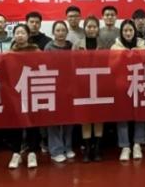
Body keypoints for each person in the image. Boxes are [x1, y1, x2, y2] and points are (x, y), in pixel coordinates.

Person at [112, 20, 145, 161]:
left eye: (130, 30)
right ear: (121, 32)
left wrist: (135, 54)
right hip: (121, 86)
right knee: (122, 116)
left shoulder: (142, 45)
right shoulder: (115, 47)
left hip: (138, 84)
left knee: (139, 115)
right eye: (125, 30)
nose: (128, 33)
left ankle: (138, 144)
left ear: (134, 31)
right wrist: (122, 56)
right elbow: (111, 66)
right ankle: (125, 146)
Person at [8, 24, 42, 169]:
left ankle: (32, 152)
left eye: (23, 33)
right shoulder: (10, 53)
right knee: (16, 124)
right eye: (17, 33)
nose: (20, 35)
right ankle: (16, 153)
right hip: (16, 93)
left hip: (33, 90)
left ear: (28, 35)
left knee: (32, 123)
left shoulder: (36, 51)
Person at [43, 21, 76, 163]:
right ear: (53, 32)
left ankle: (67, 147)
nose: (61, 33)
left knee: (69, 119)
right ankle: (56, 150)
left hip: (69, 87)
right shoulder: (48, 47)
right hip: (53, 86)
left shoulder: (71, 46)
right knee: (54, 120)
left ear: (67, 32)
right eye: (58, 30)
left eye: (63, 30)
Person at [73, 16, 105, 161]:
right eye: (89, 27)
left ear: (98, 28)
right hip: (83, 85)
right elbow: (71, 64)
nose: (91, 29)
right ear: (84, 28)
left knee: (99, 117)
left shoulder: (102, 44)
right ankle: (86, 148)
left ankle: (97, 148)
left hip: (99, 85)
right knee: (85, 117)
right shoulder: (77, 44)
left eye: (94, 27)